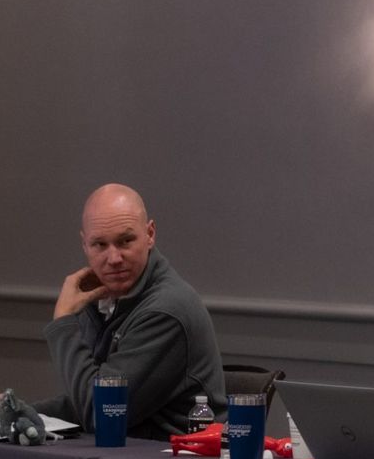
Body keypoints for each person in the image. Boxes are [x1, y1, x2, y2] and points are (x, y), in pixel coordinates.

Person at [20, 183, 224, 439]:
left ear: (150, 234)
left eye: (125, 241)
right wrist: (25, 412)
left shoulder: (166, 310)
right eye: (100, 245)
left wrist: (63, 322)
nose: (114, 258)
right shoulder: (102, 298)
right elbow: (89, 395)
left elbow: (102, 414)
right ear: (85, 245)